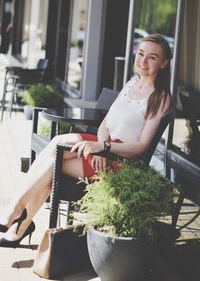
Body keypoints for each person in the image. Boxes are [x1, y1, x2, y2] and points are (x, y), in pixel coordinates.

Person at [0, 33, 172, 247]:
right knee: (58, 144)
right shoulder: (131, 83)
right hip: (104, 148)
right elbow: (104, 125)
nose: (143, 61)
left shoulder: (161, 98)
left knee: (53, 163)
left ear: (164, 63)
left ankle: (17, 220)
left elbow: (141, 148)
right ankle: (17, 217)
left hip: (122, 162)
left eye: (152, 57)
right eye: (140, 54)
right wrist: (100, 147)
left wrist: (104, 148)